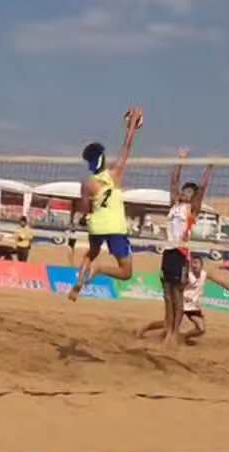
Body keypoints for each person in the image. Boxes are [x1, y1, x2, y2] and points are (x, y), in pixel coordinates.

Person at [69, 106, 143, 302]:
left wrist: (85, 217)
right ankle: (100, 270)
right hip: (115, 227)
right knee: (126, 272)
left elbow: (85, 209)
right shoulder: (115, 174)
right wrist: (131, 127)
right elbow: (126, 148)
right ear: (103, 158)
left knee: (91, 253)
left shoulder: (87, 184)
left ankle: (79, 282)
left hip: (97, 225)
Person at [157, 149, 214, 346]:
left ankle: (174, 333)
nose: (185, 193)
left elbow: (202, 189)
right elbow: (173, 180)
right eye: (185, 190)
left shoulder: (192, 210)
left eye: (189, 192)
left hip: (181, 254)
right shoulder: (174, 204)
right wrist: (180, 160)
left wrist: (209, 168)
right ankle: (168, 330)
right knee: (167, 295)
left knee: (177, 295)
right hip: (168, 252)